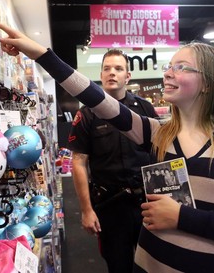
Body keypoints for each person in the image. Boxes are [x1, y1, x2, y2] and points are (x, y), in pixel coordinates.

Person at [0, 18, 214, 273]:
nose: (168, 72)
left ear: (209, 83)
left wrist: (181, 217)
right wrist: (39, 53)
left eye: (182, 67)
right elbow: (96, 98)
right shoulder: (159, 132)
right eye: (169, 66)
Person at [66, 49, 158, 273]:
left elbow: (160, 154)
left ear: (128, 76)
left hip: (147, 202)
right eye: (107, 68)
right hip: (110, 204)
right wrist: (86, 210)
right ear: (101, 74)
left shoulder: (145, 109)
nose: (112, 73)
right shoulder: (87, 114)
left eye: (118, 68)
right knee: (118, 265)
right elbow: (78, 162)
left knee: (154, 263)